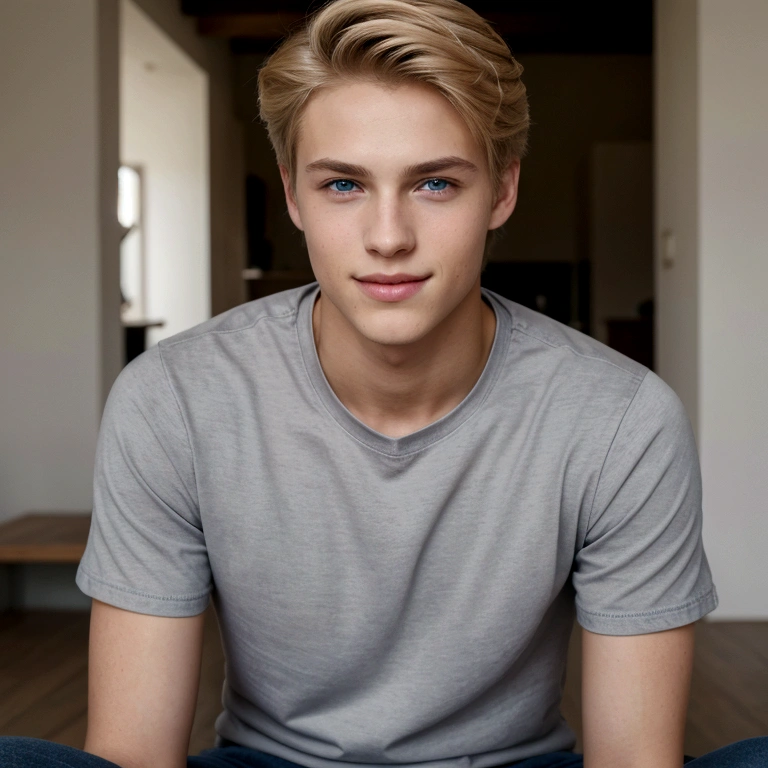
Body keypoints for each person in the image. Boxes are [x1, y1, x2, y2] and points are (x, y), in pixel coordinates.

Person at [1, 1, 767, 767]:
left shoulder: (619, 419)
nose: (389, 237)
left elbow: (635, 758)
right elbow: (133, 754)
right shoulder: (175, 399)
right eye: (343, 185)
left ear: (501, 192)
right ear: (295, 196)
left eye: (435, 183)